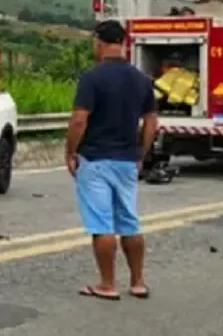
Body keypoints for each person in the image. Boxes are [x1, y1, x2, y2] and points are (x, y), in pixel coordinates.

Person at [65, 20, 157, 301]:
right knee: (129, 221)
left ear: (99, 42)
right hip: (126, 160)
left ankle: (107, 284)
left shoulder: (92, 78)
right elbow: (151, 122)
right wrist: (141, 152)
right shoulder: (141, 79)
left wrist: (70, 151)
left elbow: (80, 119)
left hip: (95, 158)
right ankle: (138, 281)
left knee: (102, 225)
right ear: (124, 42)